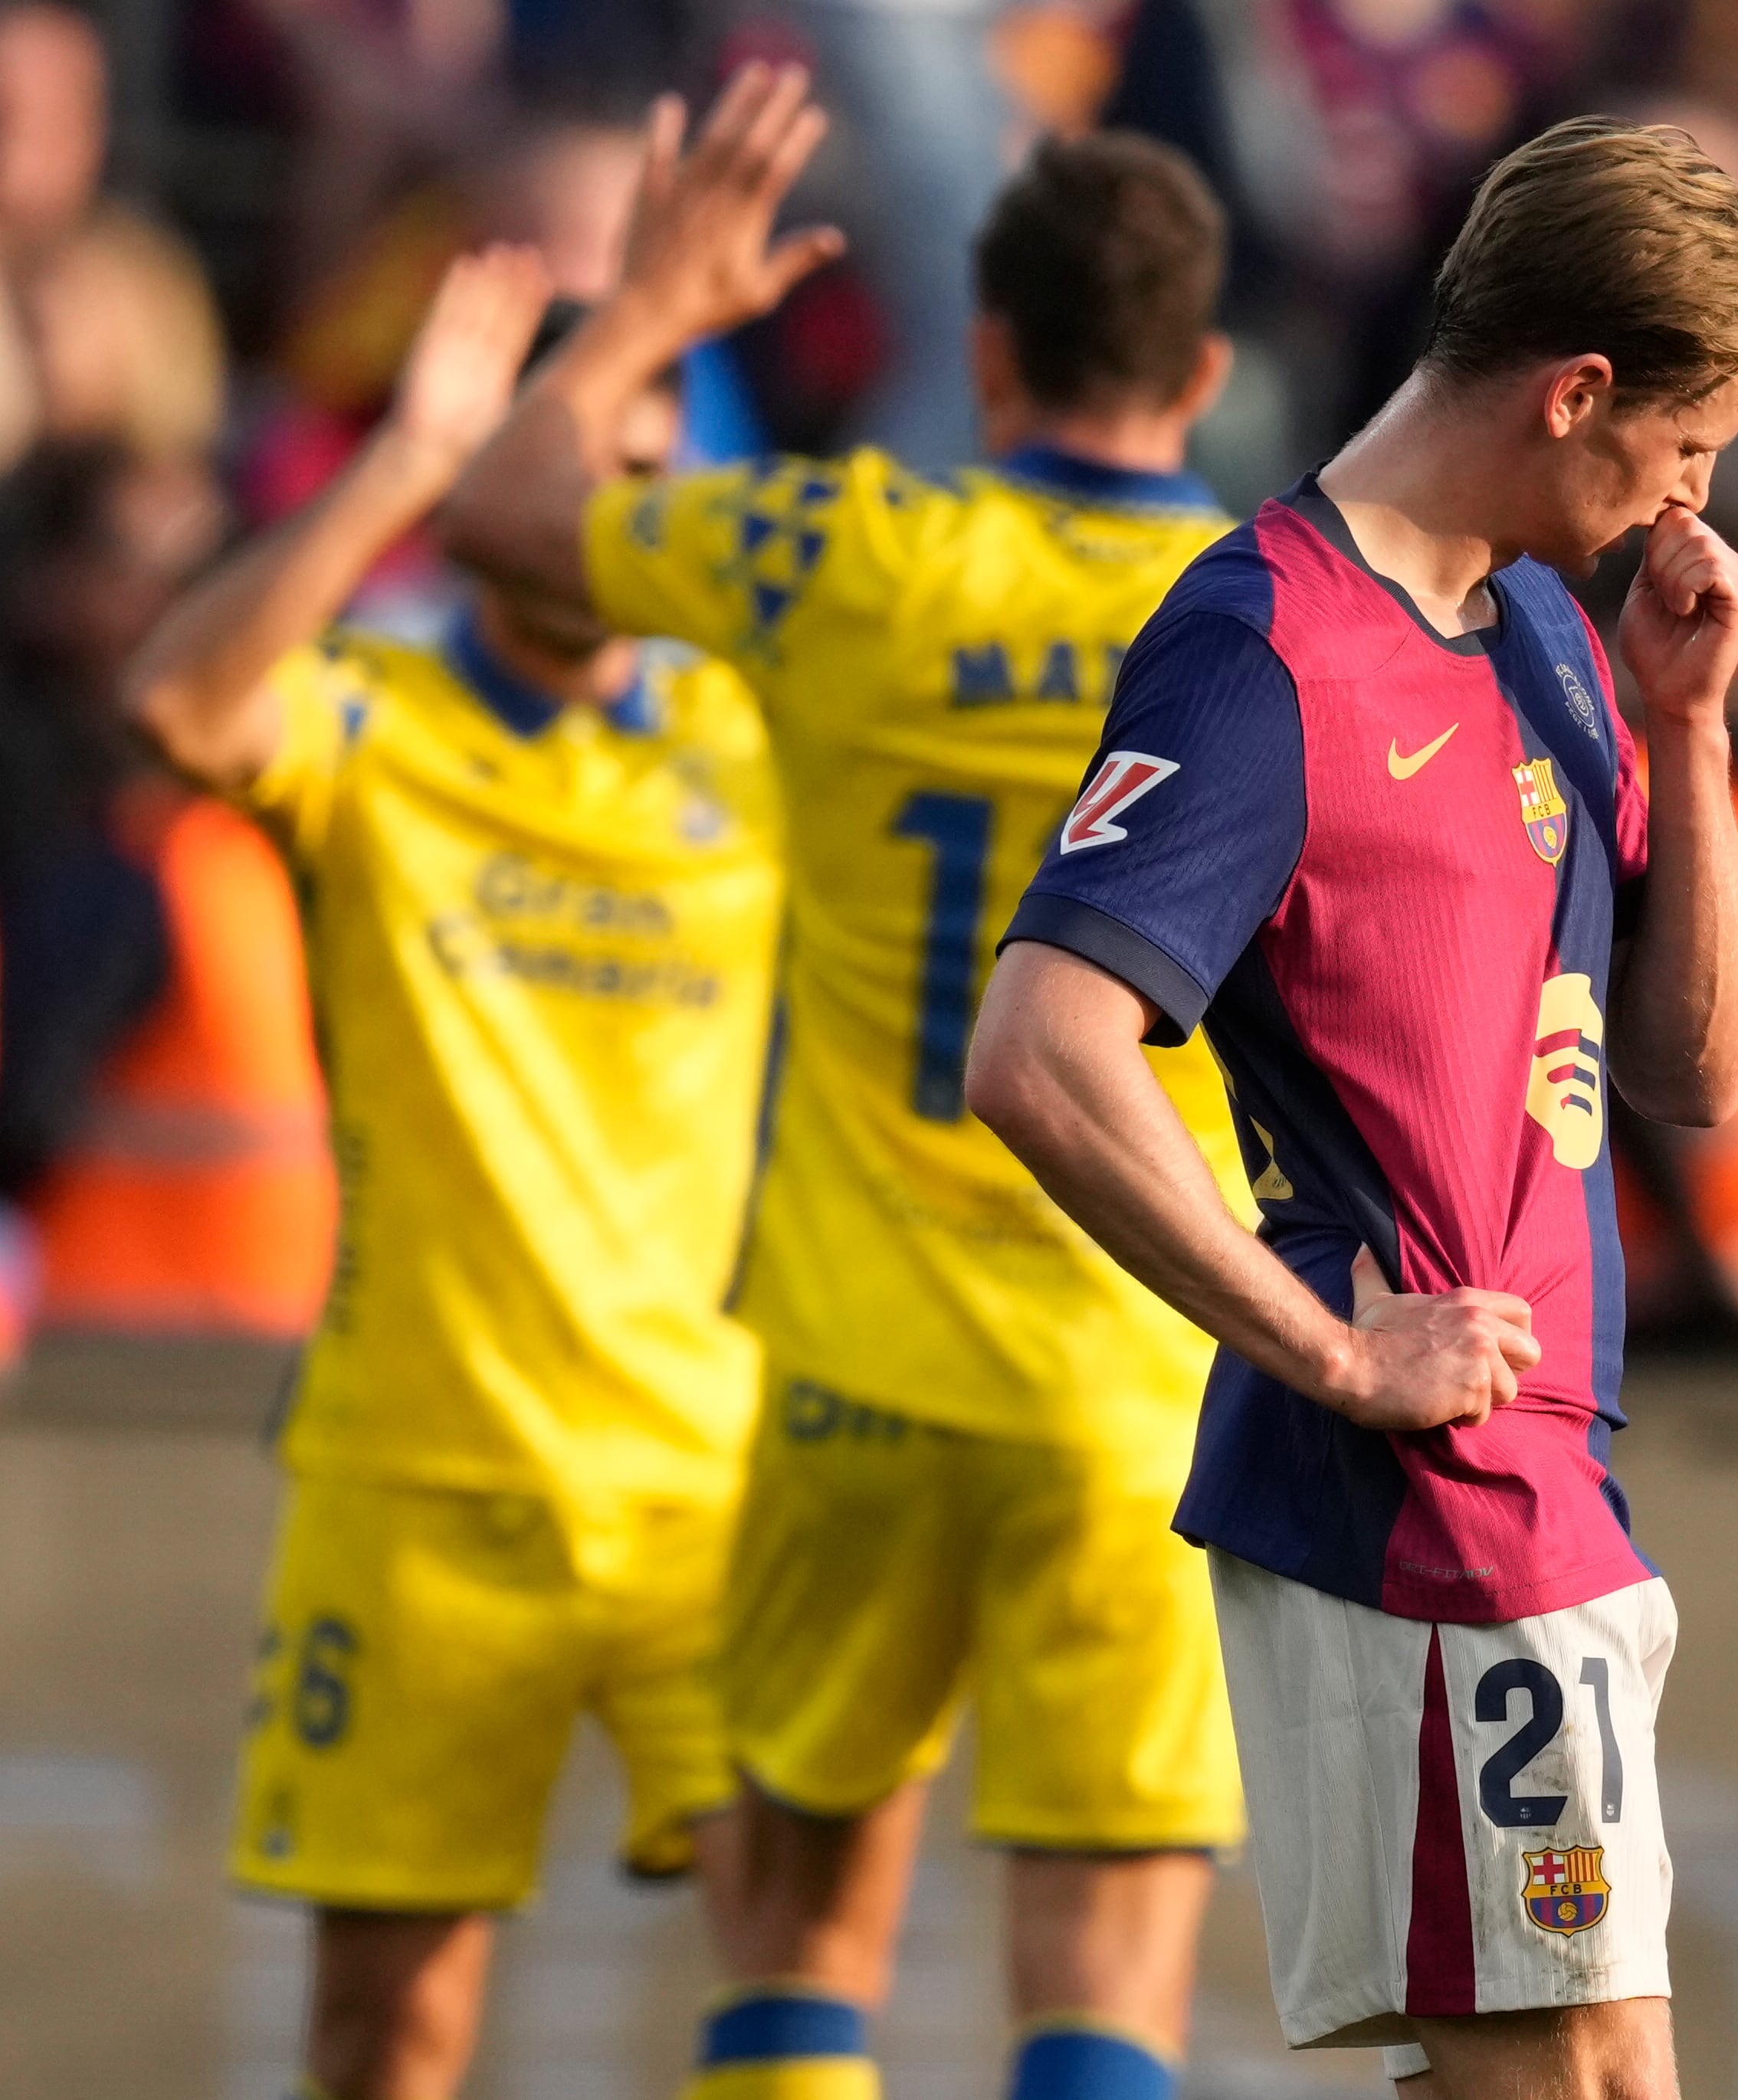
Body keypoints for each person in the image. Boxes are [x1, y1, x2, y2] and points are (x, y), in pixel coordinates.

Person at [963, 116, 1738, 2099]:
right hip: (1431, 1496)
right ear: (1578, 392)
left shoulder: (1544, 628)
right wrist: (1341, 1349)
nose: (1695, 501)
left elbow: (1700, 1063)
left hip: (1542, 1471)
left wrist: (1685, 730)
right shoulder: (1265, 644)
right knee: (1588, 2071)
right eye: (1691, 446)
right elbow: (1040, 1047)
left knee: (1532, 2070)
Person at [442, 67, 1251, 2100]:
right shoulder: (1282, 620)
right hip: (1143, 1377)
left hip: (850, 1362)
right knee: (1104, 1977)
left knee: (800, 1945)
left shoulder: (846, 550)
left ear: (983, 349)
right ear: (1211, 367)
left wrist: (649, 312)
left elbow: (510, 515)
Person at [126, 247, 785, 2100]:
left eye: (642, 479)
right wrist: (407, 454)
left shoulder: (750, 740)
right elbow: (177, 706)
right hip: (422, 1489)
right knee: (385, 2035)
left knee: (792, 1969)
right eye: (567, 475)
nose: (602, 522)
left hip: (702, 1488)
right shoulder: (368, 721)